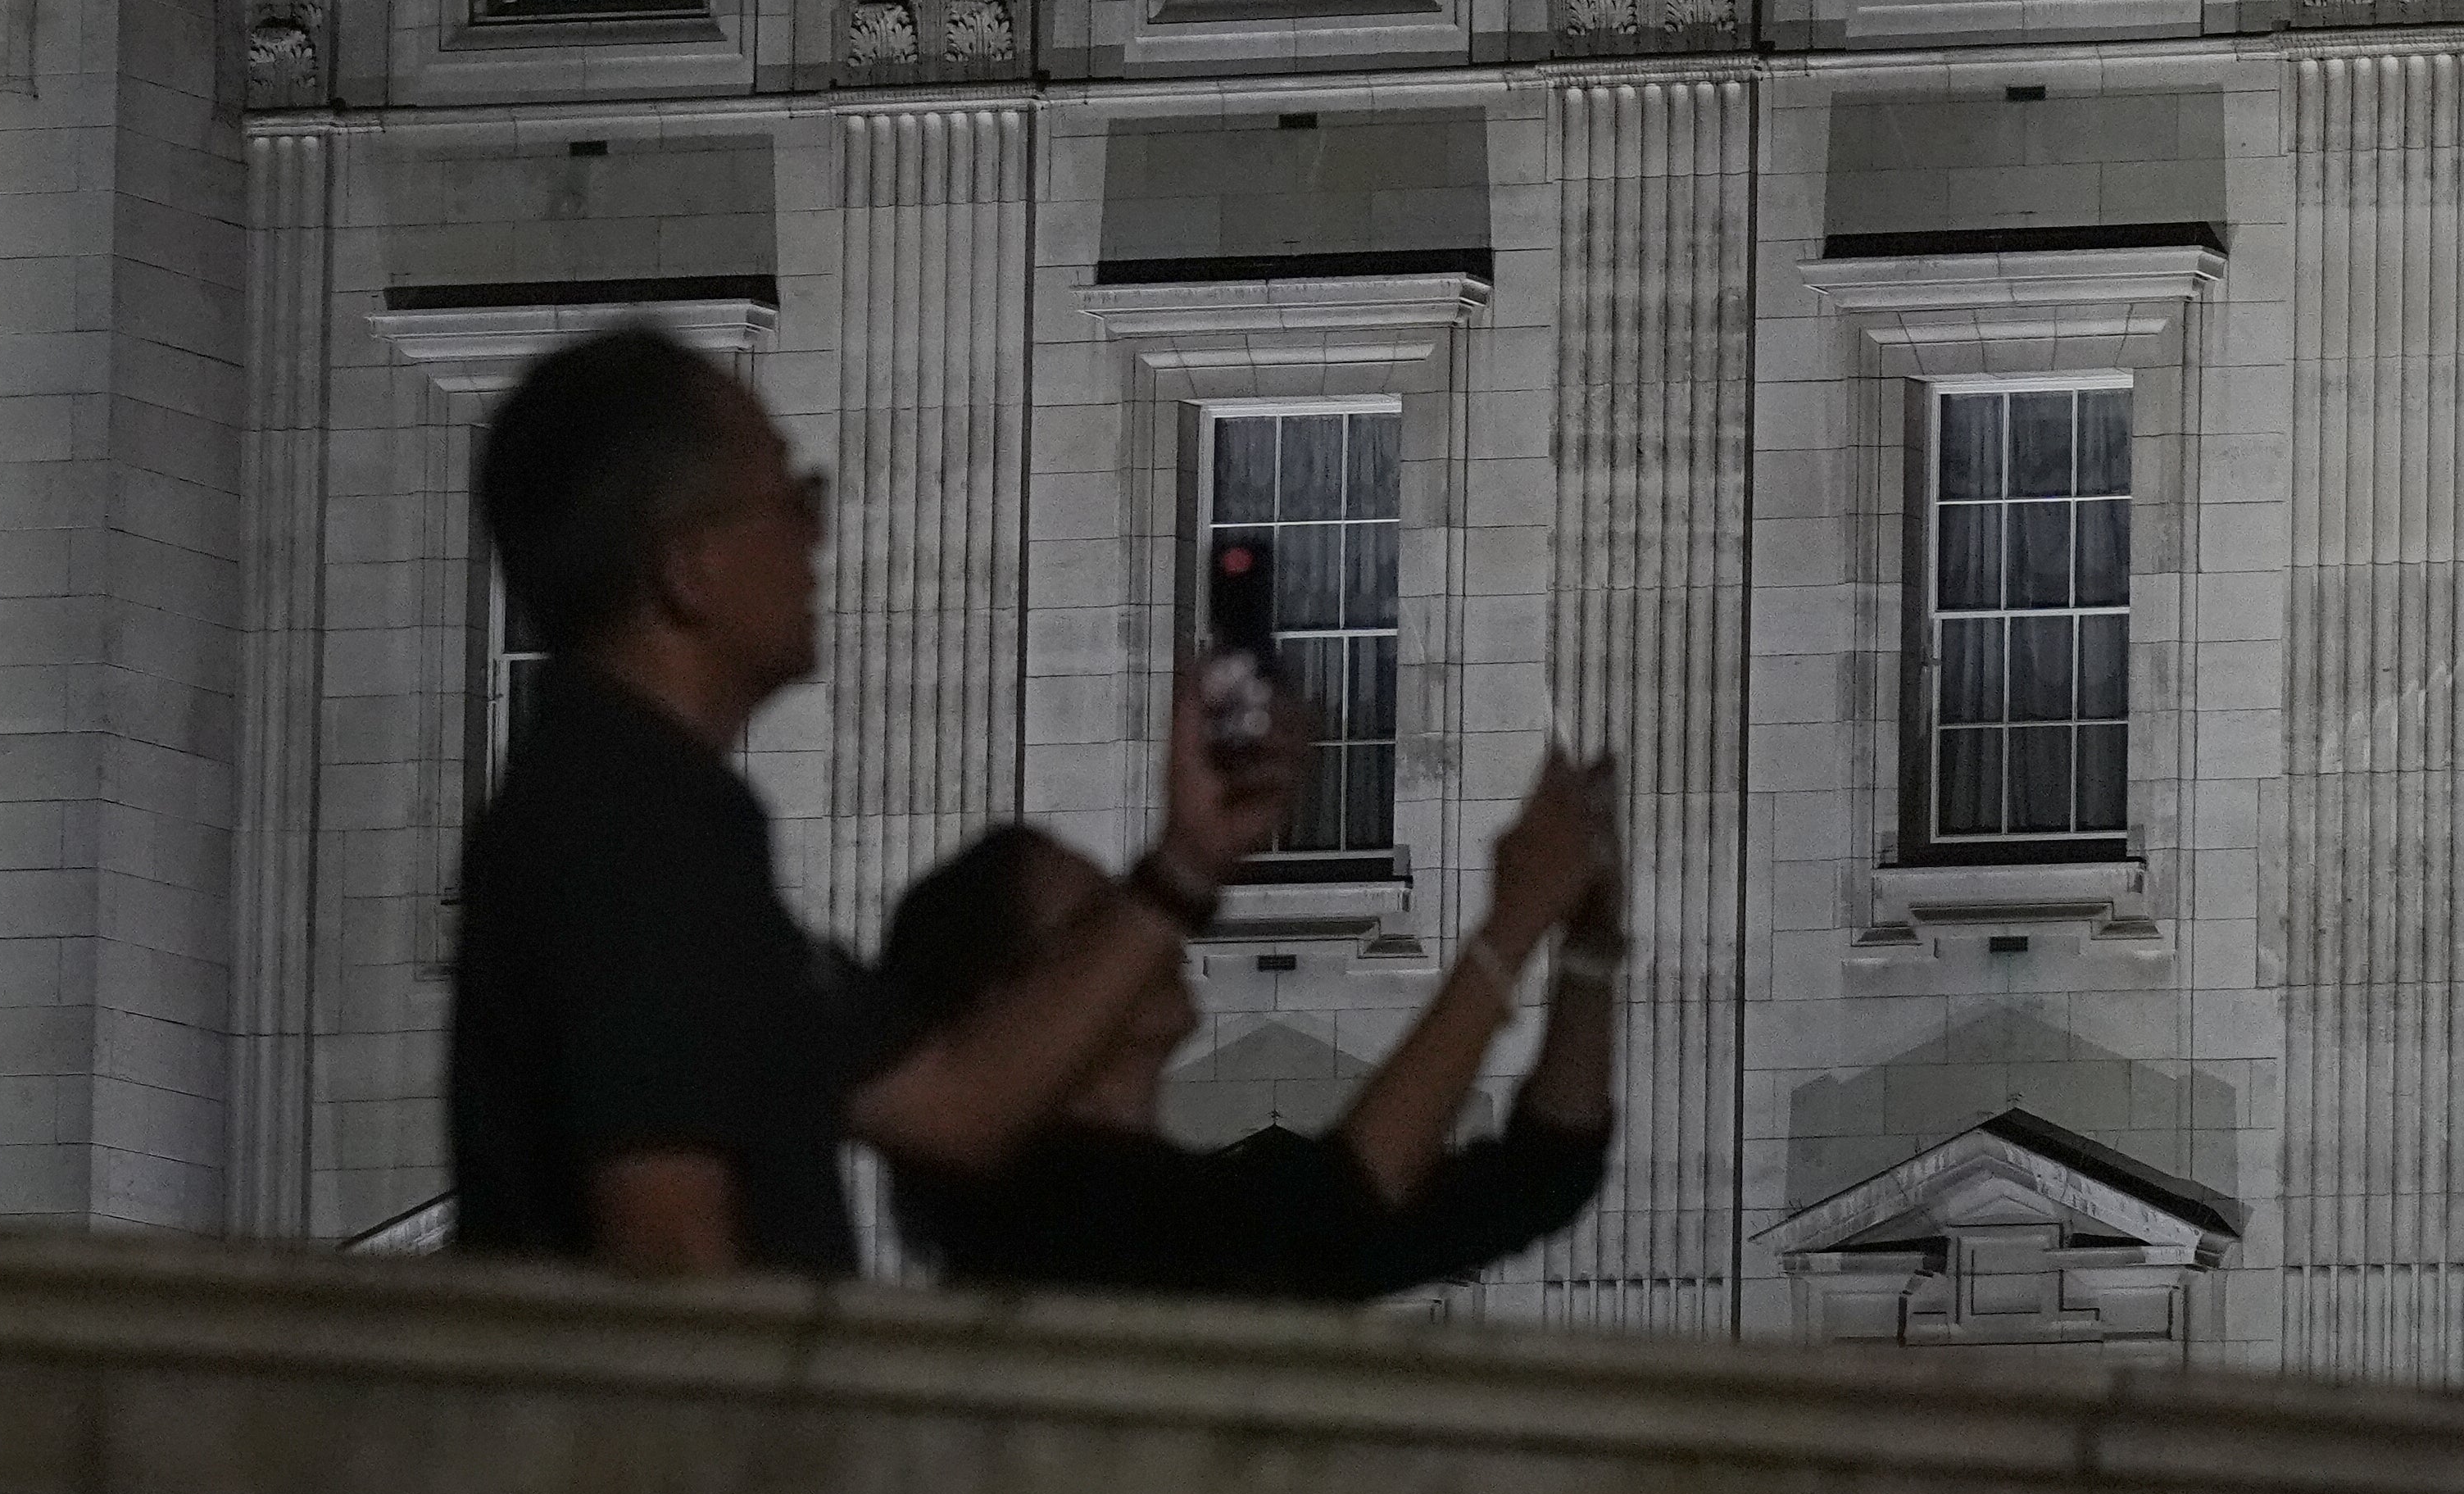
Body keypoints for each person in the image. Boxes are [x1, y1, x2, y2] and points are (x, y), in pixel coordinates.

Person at [449, 326, 1302, 1278]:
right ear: (688, 567)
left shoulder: (663, 827)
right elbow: (668, 1254)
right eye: (790, 500)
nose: (817, 535)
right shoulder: (624, 832)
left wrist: (1186, 861)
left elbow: (955, 1105)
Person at [878, 752, 1624, 1301]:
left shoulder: (1160, 1204)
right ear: (1007, 1004)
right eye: (1094, 923)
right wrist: (1515, 921)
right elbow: (1335, 1201)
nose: (1142, 938)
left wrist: (1588, 948)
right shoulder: (1030, 1220)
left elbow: (1543, 1175)